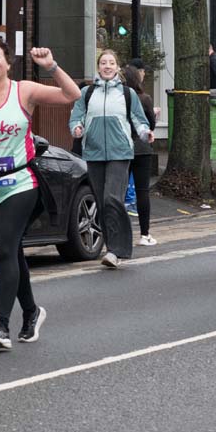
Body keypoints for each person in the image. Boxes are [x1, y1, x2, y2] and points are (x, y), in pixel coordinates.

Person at [0, 37, 81, 350]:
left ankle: (1, 325)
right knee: (12, 252)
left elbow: (72, 95)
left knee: (3, 246)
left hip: (22, 182)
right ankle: (32, 312)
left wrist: (50, 66)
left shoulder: (23, 90)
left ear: (8, 62)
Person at [69, 49, 153, 270]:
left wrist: (145, 133)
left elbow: (139, 120)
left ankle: (117, 249)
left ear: (117, 68)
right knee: (100, 200)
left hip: (120, 152)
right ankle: (111, 249)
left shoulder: (127, 94)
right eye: (103, 63)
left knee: (111, 199)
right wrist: (76, 128)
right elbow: (76, 117)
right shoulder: (87, 93)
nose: (107, 66)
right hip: (94, 153)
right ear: (98, 67)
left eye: (111, 63)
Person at [123, 62, 158, 245]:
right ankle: (145, 234)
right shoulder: (144, 99)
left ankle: (120, 234)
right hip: (142, 149)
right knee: (142, 191)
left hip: (121, 147)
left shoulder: (118, 99)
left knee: (118, 191)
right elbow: (150, 124)